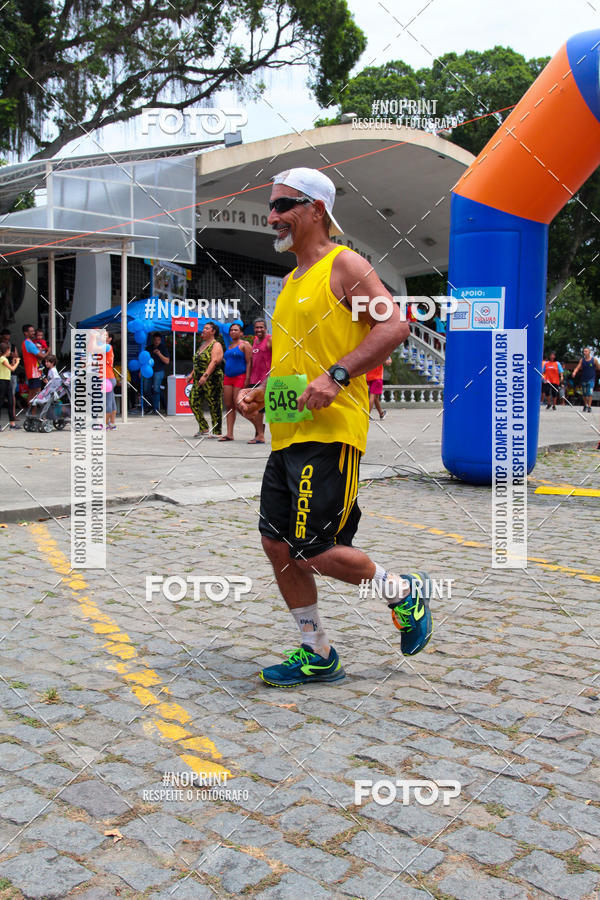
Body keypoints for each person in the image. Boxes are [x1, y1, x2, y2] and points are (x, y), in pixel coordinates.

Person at [237, 166, 433, 688]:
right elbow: (295, 370)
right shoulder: (290, 283)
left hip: (331, 434)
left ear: (316, 210)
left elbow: (395, 324)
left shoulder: (344, 265)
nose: (272, 215)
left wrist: (341, 373)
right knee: (277, 545)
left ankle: (403, 591)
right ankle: (317, 651)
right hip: (289, 433)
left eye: (284, 206)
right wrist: (260, 395)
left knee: (312, 548)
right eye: (271, 206)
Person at [187, 321, 224, 437]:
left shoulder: (216, 344)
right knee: (193, 401)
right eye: (204, 328)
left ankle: (217, 431)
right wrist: (191, 374)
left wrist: (205, 375)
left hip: (212, 378)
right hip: (199, 379)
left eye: (207, 328)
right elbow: (198, 362)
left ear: (213, 332)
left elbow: (214, 361)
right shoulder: (203, 344)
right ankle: (203, 427)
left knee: (214, 404)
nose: (203, 330)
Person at [219, 323, 252, 442]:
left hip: (240, 377)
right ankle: (229, 434)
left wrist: (247, 379)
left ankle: (258, 424)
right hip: (228, 377)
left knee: (238, 405)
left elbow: (249, 362)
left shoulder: (245, 345)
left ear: (241, 333)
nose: (233, 332)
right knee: (229, 405)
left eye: (235, 330)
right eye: (231, 330)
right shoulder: (229, 346)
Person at [244, 318, 272, 444]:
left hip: (265, 380)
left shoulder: (270, 340)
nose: (259, 330)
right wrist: (248, 378)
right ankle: (259, 432)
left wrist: (271, 375)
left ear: (266, 328)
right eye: (257, 327)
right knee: (250, 409)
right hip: (254, 379)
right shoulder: (255, 340)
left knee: (259, 410)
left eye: (261, 327)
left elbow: (278, 356)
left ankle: (260, 435)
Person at [21, 323, 47, 408]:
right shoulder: (29, 343)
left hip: (34, 371)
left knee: (33, 393)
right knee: (35, 394)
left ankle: (31, 415)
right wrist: (48, 351)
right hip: (34, 372)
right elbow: (41, 356)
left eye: (33, 331)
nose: (33, 333)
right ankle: (32, 414)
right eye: (31, 331)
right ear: (26, 333)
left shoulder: (29, 343)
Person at [146, 332, 170, 414]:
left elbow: (167, 361)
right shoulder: (149, 348)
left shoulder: (163, 348)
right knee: (146, 390)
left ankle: (155, 409)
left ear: (160, 340)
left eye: (158, 340)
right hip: (148, 371)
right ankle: (151, 406)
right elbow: (144, 360)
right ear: (153, 340)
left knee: (156, 389)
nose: (156, 341)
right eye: (155, 340)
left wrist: (159, 354)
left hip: (158, 371)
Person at [573, 347, 600, 413]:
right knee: (584, 394)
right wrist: (574, 372)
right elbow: (578, 367)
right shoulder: (582, 360)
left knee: (590, 393)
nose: (585, 353)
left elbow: (599, 368)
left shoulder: (594, 360)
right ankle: (585, 404)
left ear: (589, 352)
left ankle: (589, 406)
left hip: (591, 379)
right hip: (584, 379)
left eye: (586, 351)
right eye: (584, 351)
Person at [0, 340, 20, 429]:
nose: (10, 352)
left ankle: (12, 424)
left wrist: (13, 362)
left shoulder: (5, 359)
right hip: (2, 381)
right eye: (9, 351)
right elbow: (12, 369)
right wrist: (18, 362)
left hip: (7, 381)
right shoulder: (2, 359)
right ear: (6, 350)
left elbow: (9, 367)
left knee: (11, 402)